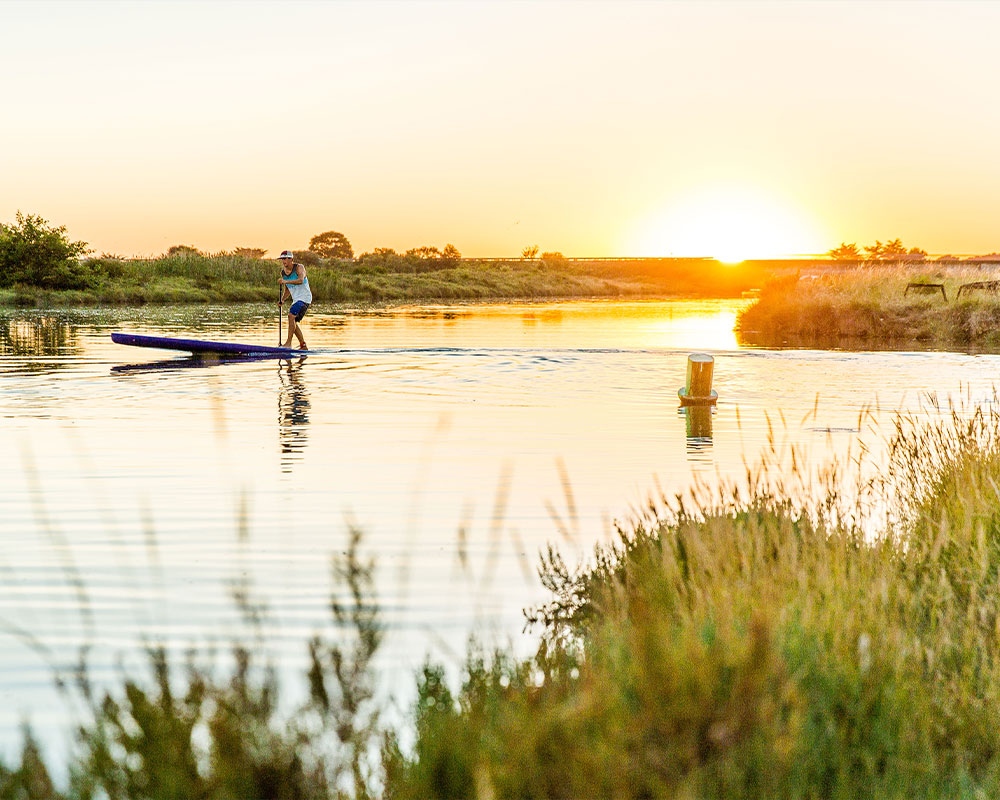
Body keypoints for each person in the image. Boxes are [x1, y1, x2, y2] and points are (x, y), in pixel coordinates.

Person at [277, 249, 312, 350]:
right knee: (293, 322)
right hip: (296, 300)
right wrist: (282, 299)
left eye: (285, 259)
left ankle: (288, 344)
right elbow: (287, 289)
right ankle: (303, 345)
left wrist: (284, 281)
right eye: (282, 259)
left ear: (291, 259)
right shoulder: (283, 272)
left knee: (291, 316)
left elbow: (301, 280)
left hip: (305, 298)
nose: (283, 261)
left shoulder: (299, 268)